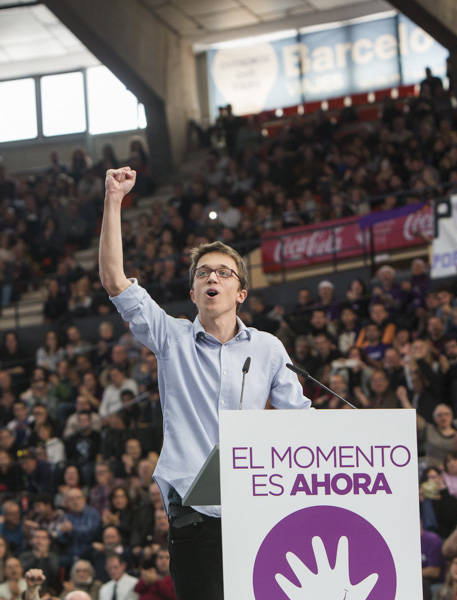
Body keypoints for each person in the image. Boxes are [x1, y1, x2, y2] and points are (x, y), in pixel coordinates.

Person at [98, 166, 311, 600]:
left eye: (224, 273)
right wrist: (114, 200)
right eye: (203, 273)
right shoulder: (170, 338)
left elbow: (300, 423)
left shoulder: (268, 349)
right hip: (194, 517)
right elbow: (115, 281)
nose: (213, 278)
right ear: (193, 292)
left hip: (256, 511)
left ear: (241, 293)